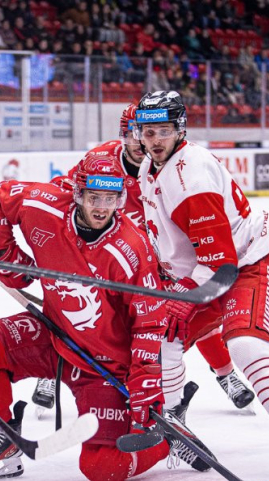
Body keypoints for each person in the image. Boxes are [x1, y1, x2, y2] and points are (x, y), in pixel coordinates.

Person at [0, 152, 203, 481]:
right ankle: (3, 440)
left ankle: (167, 439)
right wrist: (5, 254)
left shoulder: (131, 248)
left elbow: (150, 322)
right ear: (78, 193)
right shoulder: (44, 207)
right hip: (56, 336)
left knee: (102, 469)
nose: (102, 207)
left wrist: (143, 381)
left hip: (103, 365)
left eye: (111, 198)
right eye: (94, 197)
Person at [134, 90, 269, 480]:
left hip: (246, 266)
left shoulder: (191, 177)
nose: (154, 139)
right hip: (207, 271)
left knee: (244, 342)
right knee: (163, 337)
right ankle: (175, 427)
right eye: (148, 131)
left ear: (180, 130)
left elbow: (220, 261)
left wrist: (187, 299)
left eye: (164, 131)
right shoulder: (150, 170)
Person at [61, 104, 256, 412]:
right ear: (126, 135)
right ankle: (66, 370)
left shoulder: (171, 166)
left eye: (151, 134)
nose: (141, 144)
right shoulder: (102, 162)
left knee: (185, 316)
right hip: (124, 256)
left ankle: (225, 375)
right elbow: (65, 194)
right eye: (135, 135)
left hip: (165, 257)